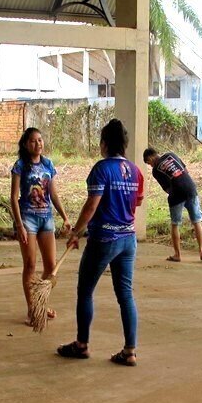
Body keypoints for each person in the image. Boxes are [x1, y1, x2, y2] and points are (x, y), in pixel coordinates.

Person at [57, 119, 145, 366]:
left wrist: (77, 231)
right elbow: (136, 203)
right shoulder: (135, 170)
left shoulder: (101, 168)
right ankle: (129, 351)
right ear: (125, 144)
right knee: (125, 295)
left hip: (104, 239)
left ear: (103, 144)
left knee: (85, 291)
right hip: (128, 239)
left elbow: (92, 205)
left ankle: (81, 344)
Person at [11, 127, 70, 325]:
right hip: (27, 219)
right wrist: (19, 225)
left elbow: (53, 194)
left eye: (40, 140)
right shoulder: (20, 166)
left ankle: (40, 304)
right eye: (34, 141)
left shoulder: (48, 164)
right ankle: (32, 310)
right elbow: (13, 197)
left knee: (51, 267)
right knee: (30, 265)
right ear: (26, 144)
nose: (38, 144)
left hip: (46, 219)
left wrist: (65, 217)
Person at [143, 147, 202, 262]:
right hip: (190, 188)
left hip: (176, 194)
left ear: (151, 157)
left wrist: (174, 192)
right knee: (197, 221)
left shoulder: (156, 170)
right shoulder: (171, 155)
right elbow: (185, 171)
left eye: (149, 163)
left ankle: (177, 255)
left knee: (175, 224)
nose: (150, 165)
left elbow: (167, 188)